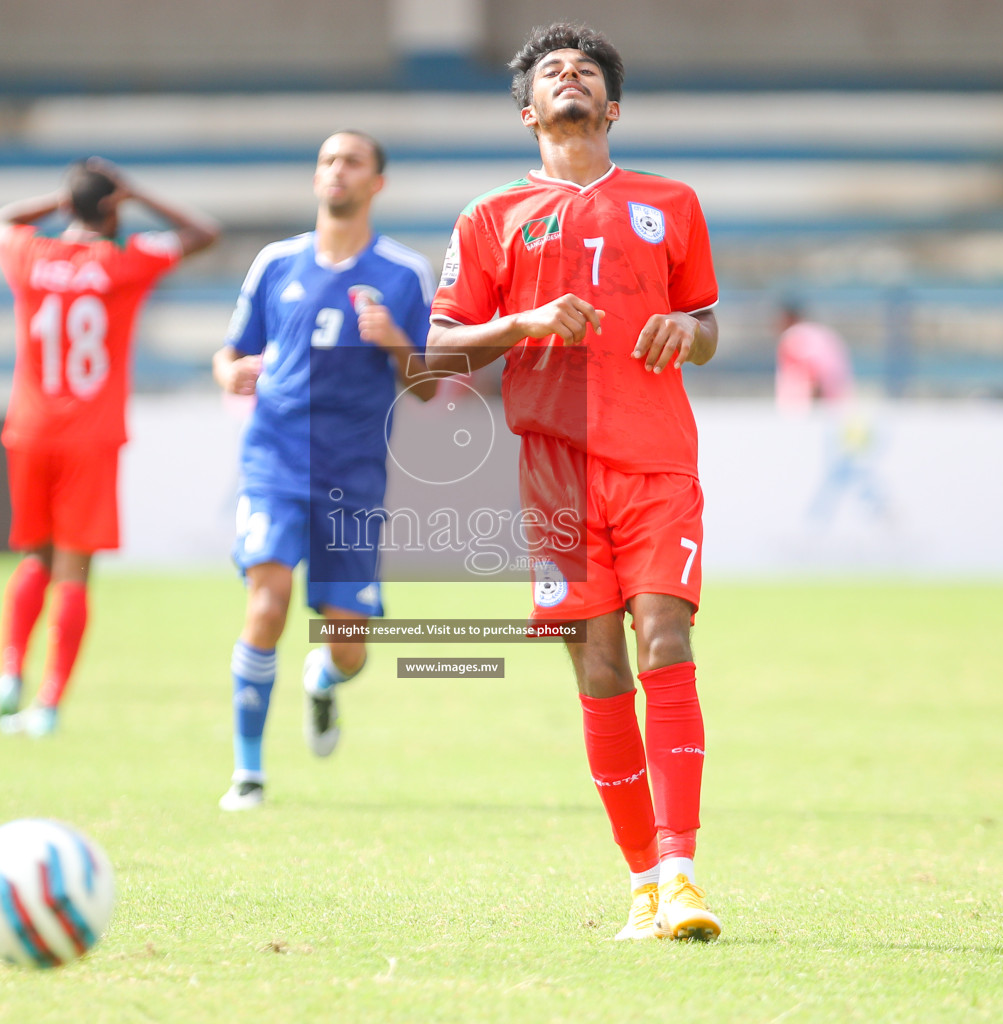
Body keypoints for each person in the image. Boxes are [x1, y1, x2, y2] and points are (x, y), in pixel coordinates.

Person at [427, 24, 723, 941]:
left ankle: (681, 874)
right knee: (599, 667)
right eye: (554, 71)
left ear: (613, 107)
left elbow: (708, 323)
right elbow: (435, 355)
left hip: (656, 458)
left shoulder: (670, 202)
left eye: (587, 70)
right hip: (554, 470)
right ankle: (641, 881)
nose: (571, 77)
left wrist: (689, 333)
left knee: (662, 635)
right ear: (529, 113)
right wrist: (524, 323)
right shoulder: (488, 218)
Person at [213, 131, 438, 811]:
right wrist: (235, 372)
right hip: (275, 460)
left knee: (348, 647)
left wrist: (395, 341)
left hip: (354, 475)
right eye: (327, 161)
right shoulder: (275, 264)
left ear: (377, 184)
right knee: (267, 604)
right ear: (317, 179)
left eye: (352, 162)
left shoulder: (404, 274)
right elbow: (228, 355)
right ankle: (248, 773)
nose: (336, 171)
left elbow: (428, 384)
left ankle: (323, 680)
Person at [0, 159, 220, 737]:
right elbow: (204, 233)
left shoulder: (30, 255)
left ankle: (10, 672)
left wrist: (62, 198)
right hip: (91, 434)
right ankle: (48, 703)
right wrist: (137, 193)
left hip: (30, 428)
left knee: (33, 557)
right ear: (113, 208)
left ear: (68, 206)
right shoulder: (123, 261)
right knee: (74, 571)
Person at [775, 302, 852, 413]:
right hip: (837, 406)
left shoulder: (793, 336)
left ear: (788, 318)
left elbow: (813, 374)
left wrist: (814, 408)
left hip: (807, 412)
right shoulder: (823, 333)